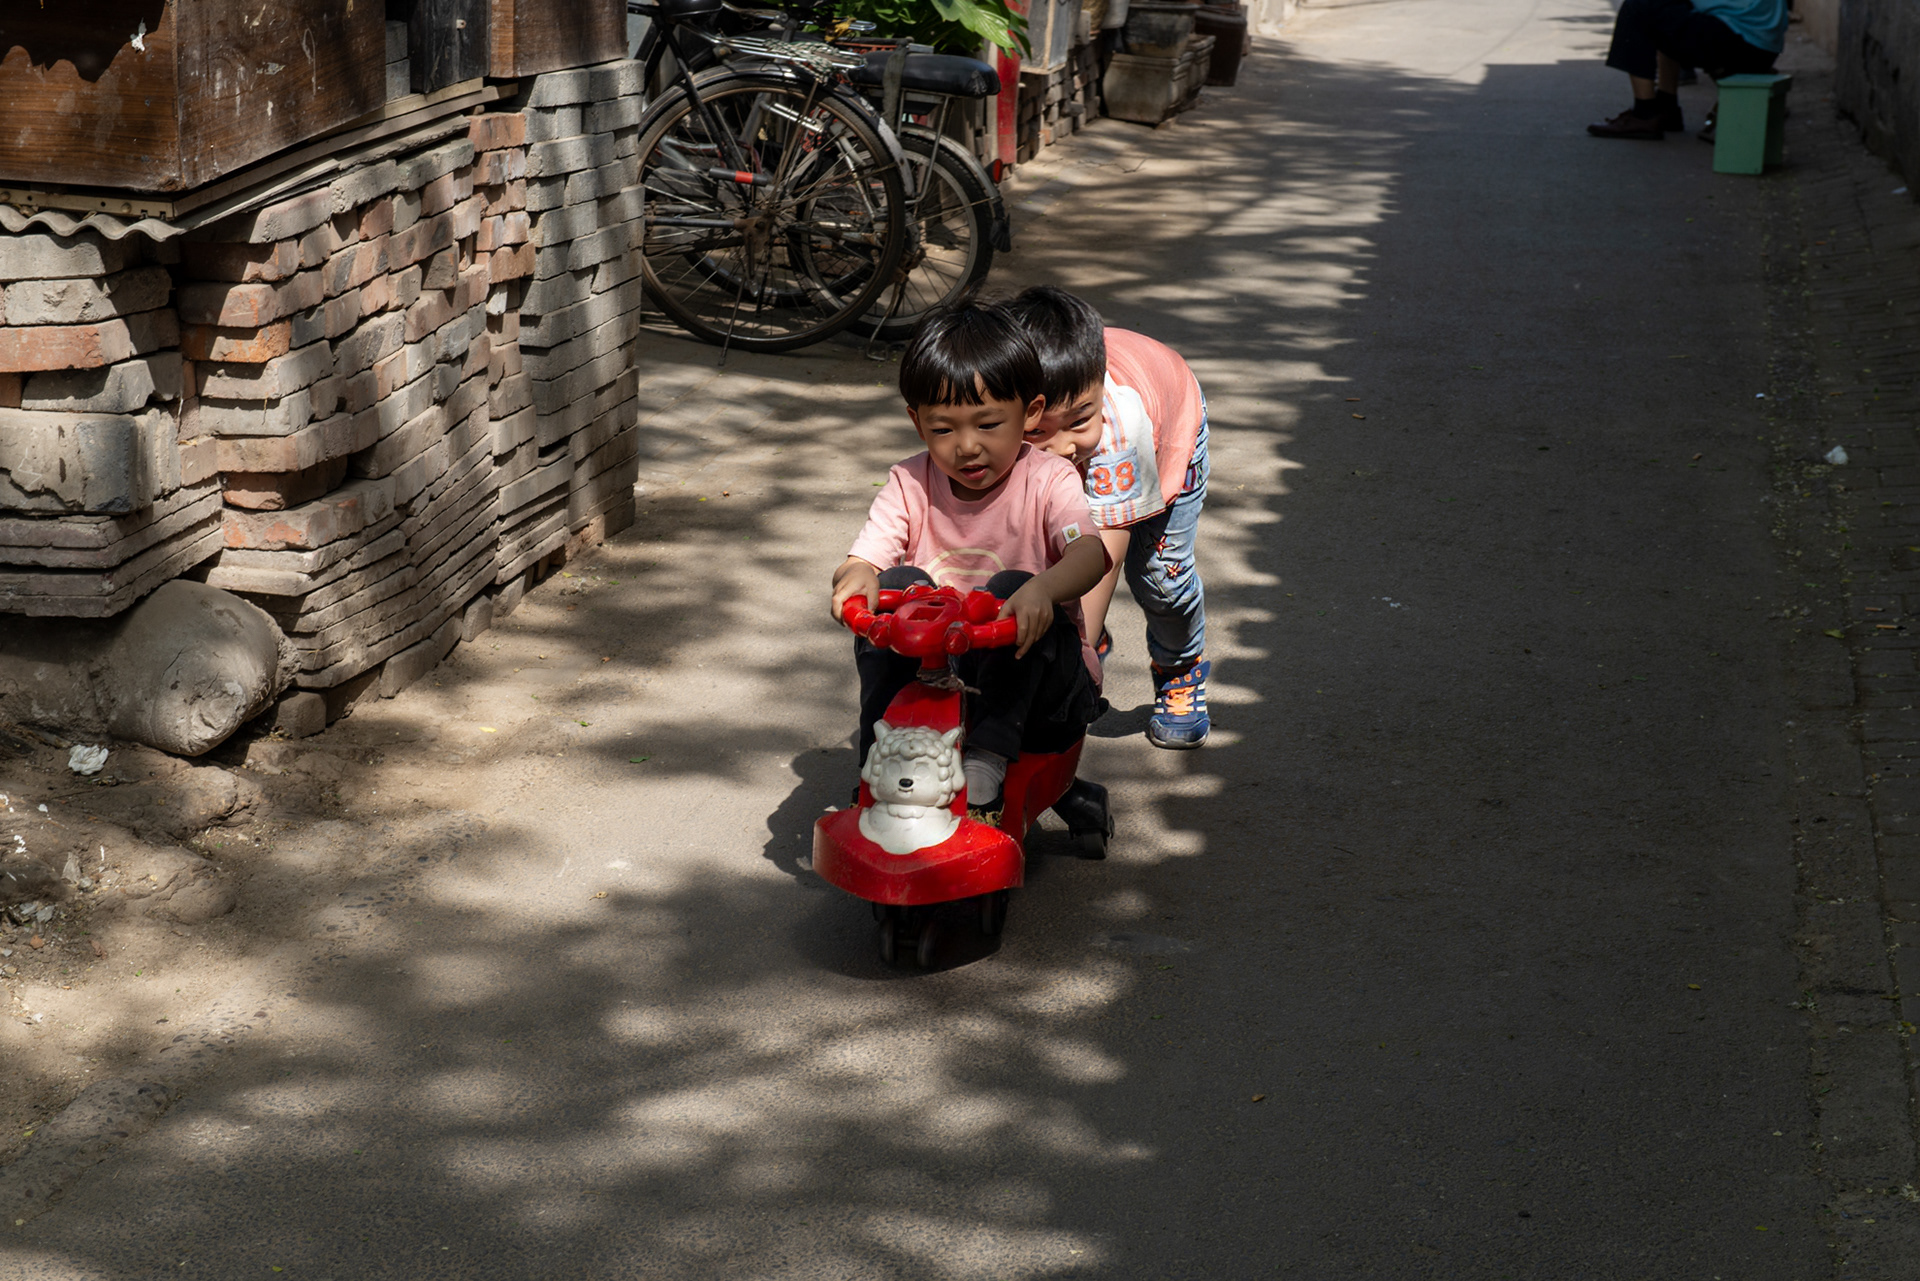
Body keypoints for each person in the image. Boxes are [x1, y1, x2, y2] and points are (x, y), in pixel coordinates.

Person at [830, 303, 1109, 824]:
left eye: (988, 424)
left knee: (1012, 586)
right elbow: (863, 558)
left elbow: (1090, 554)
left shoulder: (1049, 480)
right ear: (917, 423)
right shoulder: (909, 483)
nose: (966, 446)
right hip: (937, 678)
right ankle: (879, 755)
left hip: (1040, 691)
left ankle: (987, 758)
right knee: (898, 585)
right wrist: (856, 577)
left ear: (1030, 413)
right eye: (943, 429)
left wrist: (1042, 590)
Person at [1004, 286, 1212, 750]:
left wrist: (1078, 660)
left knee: (1161, 577)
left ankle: (1179, 668)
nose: (1062, 447)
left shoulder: (1117, 430)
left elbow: (1102, 556)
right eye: (1037, 430)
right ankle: (1071, 631)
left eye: (1079, 421)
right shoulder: (994, 411)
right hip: (1111, 431)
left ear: (1098, 394)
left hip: (1166, 434)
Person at [1587, 0, 1788, 140]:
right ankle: (1666, 106)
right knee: (1667, 12)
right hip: (1763, 46)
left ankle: (1644, 114)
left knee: (1638, 7)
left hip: (1741, 42)